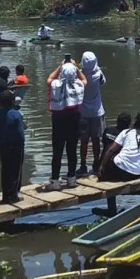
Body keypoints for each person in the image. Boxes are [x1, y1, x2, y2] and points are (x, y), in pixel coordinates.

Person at [46, 58, 87, 190]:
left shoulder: (55, 85)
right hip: (74, 120)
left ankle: (55, 181)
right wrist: (76, 69)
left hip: (59, 121)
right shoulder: (78, 85)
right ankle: (71, 179)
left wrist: (60, 66)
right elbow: (85, 80)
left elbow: (49, 78)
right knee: (72, 151)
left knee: (57, 152)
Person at [98, 112, 140, 182]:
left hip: (120, 171)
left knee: (109, 147)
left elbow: (111, 150)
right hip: (137, 174)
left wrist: (101, 166)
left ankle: (106, 175)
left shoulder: (127, 132)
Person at [0, 90, 26, 204]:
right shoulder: (16, 114)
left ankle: (6, 195)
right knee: (15, 171)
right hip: (16, 146)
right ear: (12, 102)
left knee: (6, 171)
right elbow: (20, 133)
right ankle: (13, 196)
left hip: (4, 146)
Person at [78, 51, 106, 175]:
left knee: (84, 141)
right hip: (97, 112)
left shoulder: (79, 75)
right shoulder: (98, 75)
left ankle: (83, 165)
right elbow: (103, 82)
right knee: (96, 140)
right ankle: (96, 164)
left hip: (82, 113)